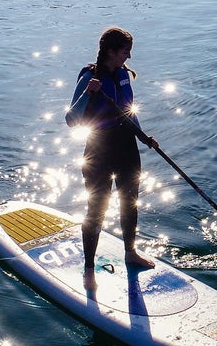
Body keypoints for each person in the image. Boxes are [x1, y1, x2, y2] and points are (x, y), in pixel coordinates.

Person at [65, 26, 159, 272]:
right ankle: (88, 268)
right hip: (99, 149)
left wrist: (144, 137)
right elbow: (71, 119)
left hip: (127, 145)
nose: (129, 56)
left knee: (130, 202)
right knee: (97, 208)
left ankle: (130, 253)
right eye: (125, 51)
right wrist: (88, 93)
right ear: (110, 51)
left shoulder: (123, 74)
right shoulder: (89, 78)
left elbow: (129, 112)